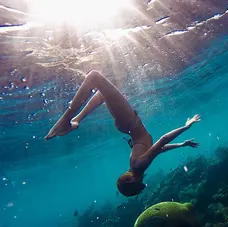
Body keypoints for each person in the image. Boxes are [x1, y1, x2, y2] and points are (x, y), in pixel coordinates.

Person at [44, 70, 201, 197]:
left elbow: (164, 139)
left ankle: (66, 120)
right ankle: (76, 120)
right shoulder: (137, 167)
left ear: (132, 182)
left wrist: (186, 126)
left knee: (95, 77)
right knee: (101, 94)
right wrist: (182, 144)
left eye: (139, 188)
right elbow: (159, 149)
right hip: (127, 124)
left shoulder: (140, 166)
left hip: (129, 122)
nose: (143, 186)